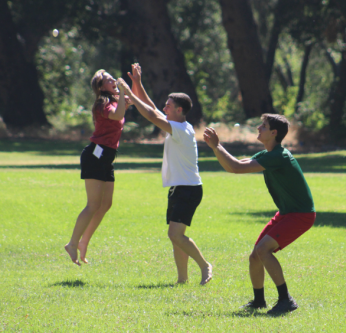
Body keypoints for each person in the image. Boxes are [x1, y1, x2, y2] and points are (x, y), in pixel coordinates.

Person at [203, 114, 315, 315]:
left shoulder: (278, 156)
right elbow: (235, 165)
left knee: (264, 251)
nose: (258, 128)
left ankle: (285, 300)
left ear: (274, 133)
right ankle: (259, 301)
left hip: (300, 215)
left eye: (263, 126)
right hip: (287, 213)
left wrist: (216, 146)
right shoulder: (268, 154)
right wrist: (216, 147)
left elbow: (236, 168)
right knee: (255, 256)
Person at [116, 63, 212, 285]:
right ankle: (182, 280)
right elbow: (151, 108)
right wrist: (138, 85)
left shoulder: (180, 130)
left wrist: (129, 93)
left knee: (175, 235)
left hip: (188, 189)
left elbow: (150, 115)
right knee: (176, 237)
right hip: (180, 187)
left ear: (179, 110)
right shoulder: (177, 124)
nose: (165, 108)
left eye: (169, 106)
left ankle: (205, 265)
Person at [65, 69, 130, 266]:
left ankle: (84, 241)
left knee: (105, 204)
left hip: (107, 157)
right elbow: (118, 115)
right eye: (109, 80)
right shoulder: (103, 103)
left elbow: (137, 102)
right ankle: (72, 243)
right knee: (93, 204)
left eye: (113, 78)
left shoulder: (116, 98)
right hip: (95, 155)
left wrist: (135, 83)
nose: (113, 80)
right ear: (101, 87)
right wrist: (123, 95)